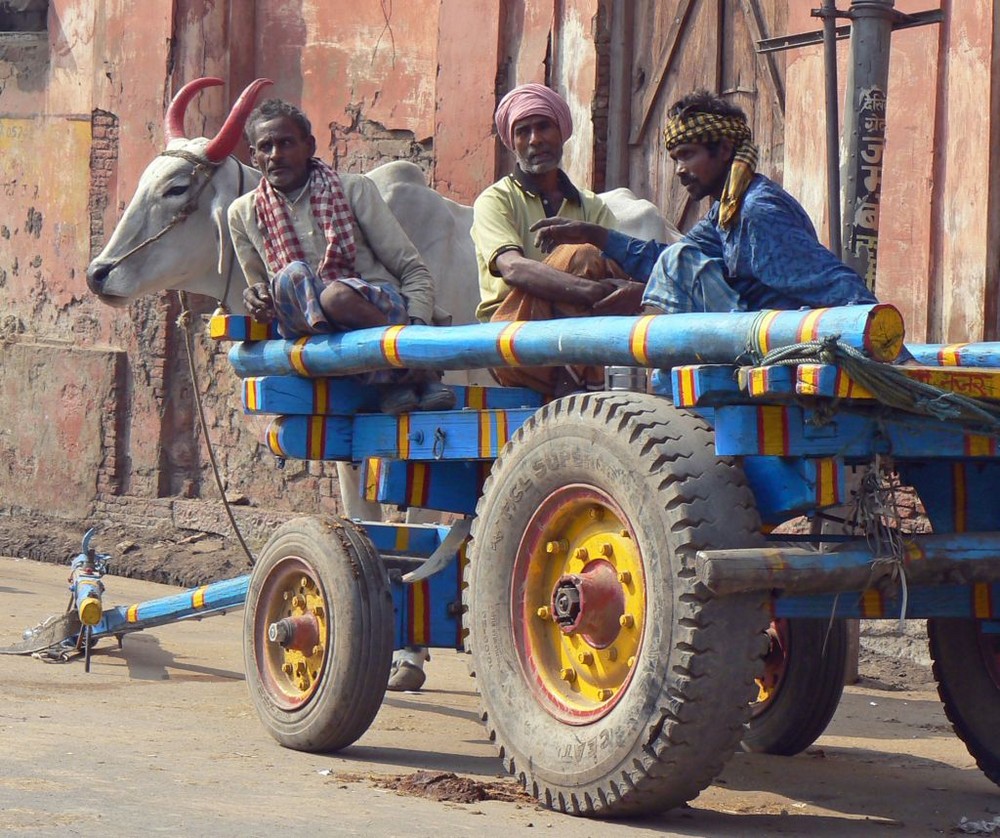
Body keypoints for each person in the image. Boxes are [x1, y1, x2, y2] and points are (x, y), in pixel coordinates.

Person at [532, 89, 881, 319]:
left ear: (724, 150)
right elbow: (660, 261)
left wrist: (871, 330)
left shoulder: (755, 211)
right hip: (747, 331)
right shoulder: (724, 212)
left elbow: (828, 280)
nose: (680, 171)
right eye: (674, 159)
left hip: (770, 343)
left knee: (676, 260)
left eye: (688, 156)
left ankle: (658, 385)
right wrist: (594, 234)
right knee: (674, 259)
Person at [230, 98, 455, 415]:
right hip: (309, 327)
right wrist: (256, 300)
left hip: (375, 307)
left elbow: (413, 270)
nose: (275, 155)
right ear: (254, 157)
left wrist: (413, 333)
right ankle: (408, 375)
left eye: (286, 143)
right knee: (292, 276)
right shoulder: (242, 214)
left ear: (309, 146)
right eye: (265, 147)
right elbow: (261, 289)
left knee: (336, 296)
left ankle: (396, 372)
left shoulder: (354, 189)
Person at [470, 83, 646, 396]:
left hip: (586, 340)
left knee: (633, 286)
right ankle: (573, 385)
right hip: (514, 336)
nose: (535, 140)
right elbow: (512, 268)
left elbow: (621, 269)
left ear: (561, 132)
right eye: (523, 131)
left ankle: (578, 375)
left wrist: (633, 291)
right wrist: (591, 292)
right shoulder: (495, 200)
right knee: (582, 257)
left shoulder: (591, 205)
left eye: (543, 127)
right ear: (513, 142)